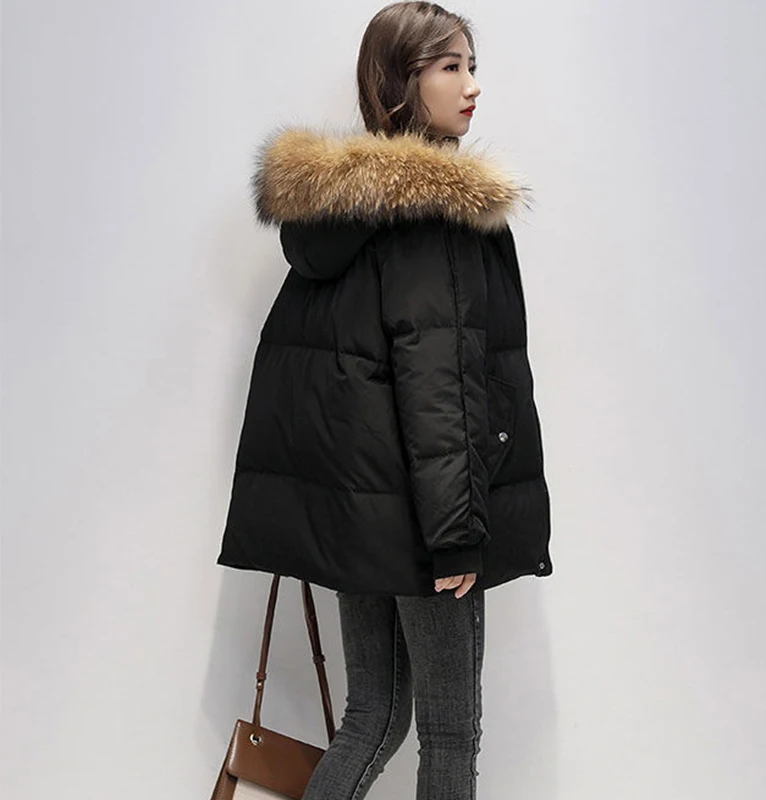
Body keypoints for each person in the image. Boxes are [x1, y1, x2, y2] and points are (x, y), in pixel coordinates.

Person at [216, 2, 552, 797]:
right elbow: (439, 384)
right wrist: (457, 537)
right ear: (400, 83)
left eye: (472, 67)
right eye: (450, 67)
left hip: (358, 517)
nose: (472, 86)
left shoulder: (342, 209)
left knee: (372, 716)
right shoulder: (435, 211)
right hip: (426, 524)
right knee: (448, 735)